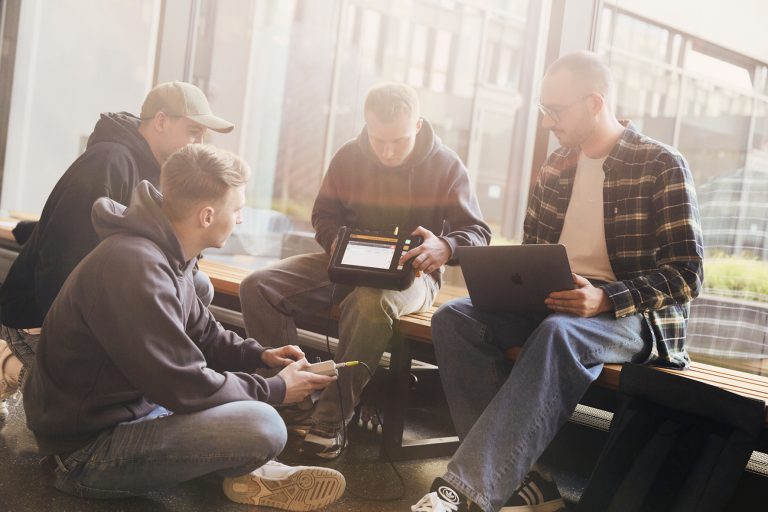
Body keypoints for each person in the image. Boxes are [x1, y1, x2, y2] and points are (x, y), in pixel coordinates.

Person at [412, 51, 704, 512]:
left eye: (556, 110)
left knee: (557, 332)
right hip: (557, 304)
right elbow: (531, 256)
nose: (547, 121)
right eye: (543, 110)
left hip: (631, 317)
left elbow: (687, 274)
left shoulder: (661, 164)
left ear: (593, 102)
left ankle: (465, 492)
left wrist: (604, 297)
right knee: (455, 318)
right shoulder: (556, 167)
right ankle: (525, 483)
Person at [22, 144, 346, 510]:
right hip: (83, 453)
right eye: (236, 210)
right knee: (264, 425)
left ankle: (240, 474)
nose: (240, 219)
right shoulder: (134, 265)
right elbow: (183, 384)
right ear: (207, 215)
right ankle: (241, 471)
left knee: (249, 415)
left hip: (139, 412)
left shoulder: (170, 255)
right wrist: (276, 389)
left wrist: (260, 354)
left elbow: (204, 333)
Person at [239, 82, 491, 459]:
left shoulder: (446, 164)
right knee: (257, 286)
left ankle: (330, 420)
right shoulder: (348, 156)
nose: (388, 152)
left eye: (398, 141)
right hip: (347, 261)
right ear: (366, 125)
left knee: (369, 302)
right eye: (379, 140)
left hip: (414, 273)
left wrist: (446, 245)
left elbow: (478, 232)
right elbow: (323, 216)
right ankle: (295, 400)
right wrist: (339, 246)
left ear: (418, 125)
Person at [0, 81, 233, 414]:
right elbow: (63, 258)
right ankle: (11, 363)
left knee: (198, 287)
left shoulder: (160, 175)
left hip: (107, 299)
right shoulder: (108, 163)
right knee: (105, 402)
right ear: (162, 122)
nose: (198, 143)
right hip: (39, 315)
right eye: (193, 131)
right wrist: (86, 345)